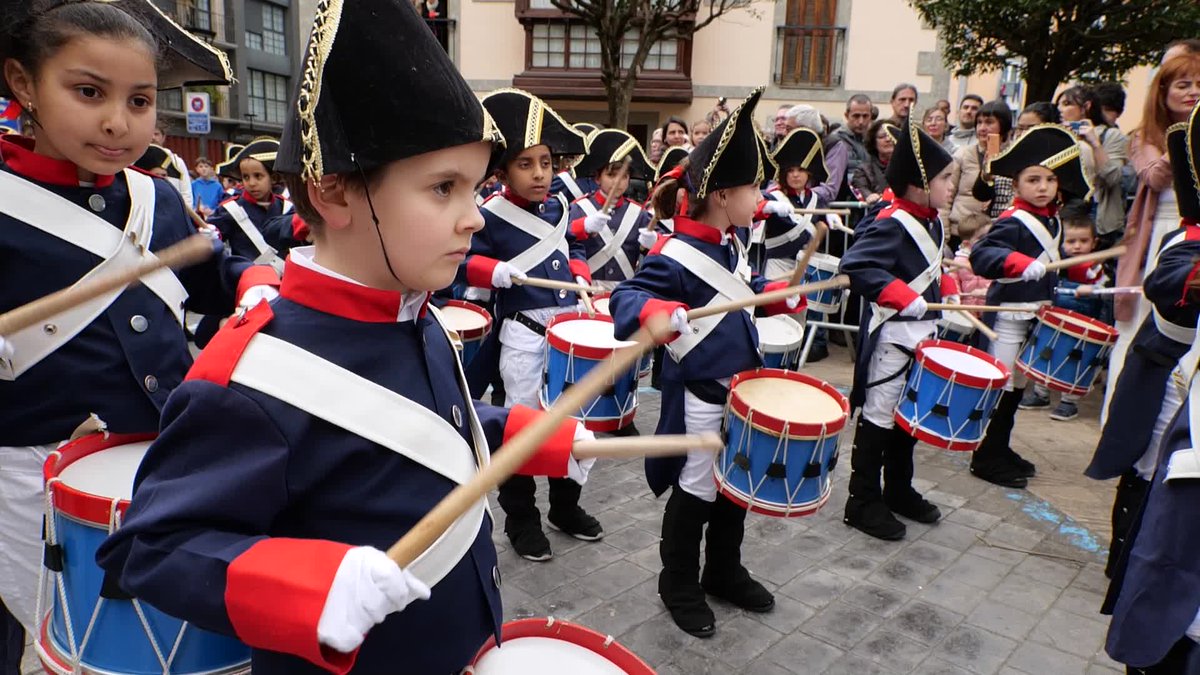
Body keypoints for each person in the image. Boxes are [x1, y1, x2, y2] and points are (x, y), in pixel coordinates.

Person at [97, 3, 600, 673]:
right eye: (444, 188)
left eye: (476, 187)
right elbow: (150, 547)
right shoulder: (248, 377)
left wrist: (531, 434)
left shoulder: (414, 315)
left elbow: (424, 431)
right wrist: (308, 581)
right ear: (333, 193)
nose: (475, 217)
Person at [0, 0, 277, 665]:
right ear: (24, 83)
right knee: (53, 633)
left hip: (161, 457)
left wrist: (255, 283)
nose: (117, 121)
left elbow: (214, 277)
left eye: (140, 100)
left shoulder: (158, 201)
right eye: (88, 91)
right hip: (28, 468)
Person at [609, 88, 804, 638]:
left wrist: (775, 294)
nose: (760, 196)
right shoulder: (673, 254)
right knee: (696, 489)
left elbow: (739, 293)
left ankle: (722, 570)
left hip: (738, 390)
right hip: (699, 396)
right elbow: (625, 300)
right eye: (753, 187)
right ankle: (678, 582)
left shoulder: (727, 243)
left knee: (732, 486)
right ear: (722, 194)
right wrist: (661, 310)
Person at [460, 88, 602, 563]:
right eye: (526, 164)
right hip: (521, 332)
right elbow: (459, 260)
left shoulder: (561, 208)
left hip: (568, 327)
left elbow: (574, 251)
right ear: (501, 171)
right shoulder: (485, 217)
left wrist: (581, 276)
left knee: (571, 420)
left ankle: (566, 507)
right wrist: (490, 271)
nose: (540, 173)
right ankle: (522, 519)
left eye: (545, 162)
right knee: (521, 427)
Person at [1088, 113, 1200, 581]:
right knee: (1150, 471)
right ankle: (1125, 565)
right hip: (1169, 387)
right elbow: (1168, 278)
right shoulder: (1186, 242)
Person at [838, 119, 954, 541]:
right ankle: (861, 500)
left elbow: (935, 267)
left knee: (907, 419)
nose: (950, 187)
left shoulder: (933, 220)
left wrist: (951, 291)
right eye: (944, 179)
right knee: (879, 418)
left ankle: (898, 489)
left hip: (922, 336)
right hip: (892, 341)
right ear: (920, 184)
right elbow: (856, 266)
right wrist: (898, 293)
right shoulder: (893, 221)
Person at [968, 125, 1093, 488]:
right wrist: (1019, 264)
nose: (1043, 187)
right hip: (1007, 316)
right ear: (1017, 184)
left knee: (1017, 387)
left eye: (1051, 180)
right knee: (1002, 386)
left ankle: (1000, 447)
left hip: (1034, 314)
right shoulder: (1013, 221)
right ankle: (985, 456)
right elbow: (983, 256)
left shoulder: (1051, 219)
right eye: (1034, 179)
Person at [1107, 52, 1200, 422]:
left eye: (1198, 84)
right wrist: (1187, 135)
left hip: (1195, 242)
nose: (1194, 92)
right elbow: (1156, 177)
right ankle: (1125, 432)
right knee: (1141, 334)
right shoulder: (1144, 137)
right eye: (1183, 85)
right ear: (1162, 93)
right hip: (1157, 243)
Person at [1018, 207, 1106, 421]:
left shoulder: (1094, 267)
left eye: (1083, 241)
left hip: (1081, 326)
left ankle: (1069, 402)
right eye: (1071, 241)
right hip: (1055, 320)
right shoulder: (1055, 263)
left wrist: (1094, 289)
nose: (1077, 246)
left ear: (1093, 243)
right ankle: (1041, 394)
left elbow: (1106, 289)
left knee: (1075, 362)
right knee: (1046, 353)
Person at [566, 128, 656, 289]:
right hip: (586, 289)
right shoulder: (579, 208)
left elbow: (655, 254)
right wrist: (583, 226)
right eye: (611, 175)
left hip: (625, 293)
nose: (617, 182)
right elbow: (563, 238)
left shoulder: (639, 214)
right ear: (597, 178)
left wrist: (654, 242)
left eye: (624, 176)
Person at [1057, 85, 1129, 243]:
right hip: (1065, 213)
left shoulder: (1111, 135)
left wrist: (1095, 143)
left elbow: (1112, 178)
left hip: (1098, 218)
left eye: (1067, 104)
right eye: (1059, 105)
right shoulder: (1060, 136)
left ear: (1086, 107)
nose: (1060, 110)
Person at [205, 137, 291, 269]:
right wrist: (210, 233)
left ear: (273, 178)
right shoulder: (230, 209)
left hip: (283, 281)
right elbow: (213, 236)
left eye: (258, 176)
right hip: (247, 281)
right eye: (246, 177)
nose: (251, 183)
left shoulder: (286, 208)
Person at [752, 127, 825, 277]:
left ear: (808, 173)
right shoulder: (774, 196)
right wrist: (770, 206)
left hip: (804, 266)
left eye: (800, 170)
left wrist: (830, 218)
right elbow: (754, 210)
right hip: (778, 264)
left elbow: (820, 223)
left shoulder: (815, 199)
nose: (796, 175)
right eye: (790, 171)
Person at [949, 99, 1014, 238]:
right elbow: (947, 195)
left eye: (989, 122)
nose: (982, 128)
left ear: (1003, 125)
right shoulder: (963, 154)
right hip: (962, 231)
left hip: (999, 230)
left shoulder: (1014, 156)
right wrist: (945, 234)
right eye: (979, 122)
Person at [852, 119, 899, 205]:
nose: (888, 139)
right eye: (882, 137)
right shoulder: (863, 170)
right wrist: (869, 196)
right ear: (873, 142)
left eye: (891, 135)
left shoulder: (909, 166)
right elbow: (862, 188)